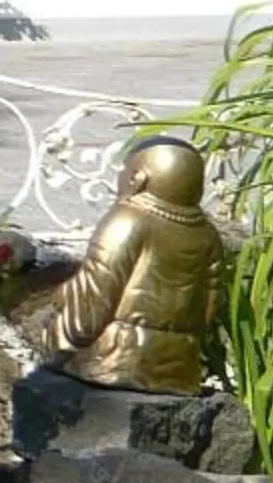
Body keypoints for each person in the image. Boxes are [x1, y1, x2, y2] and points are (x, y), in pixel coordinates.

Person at [38, 137, 222, 392]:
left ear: (138, 179)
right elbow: (208, 308)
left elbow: (98, 289)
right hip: (179, 364)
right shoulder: (207, 234)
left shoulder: (127, 219)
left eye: (125, 172)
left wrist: (63, 319)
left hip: (115, 357)